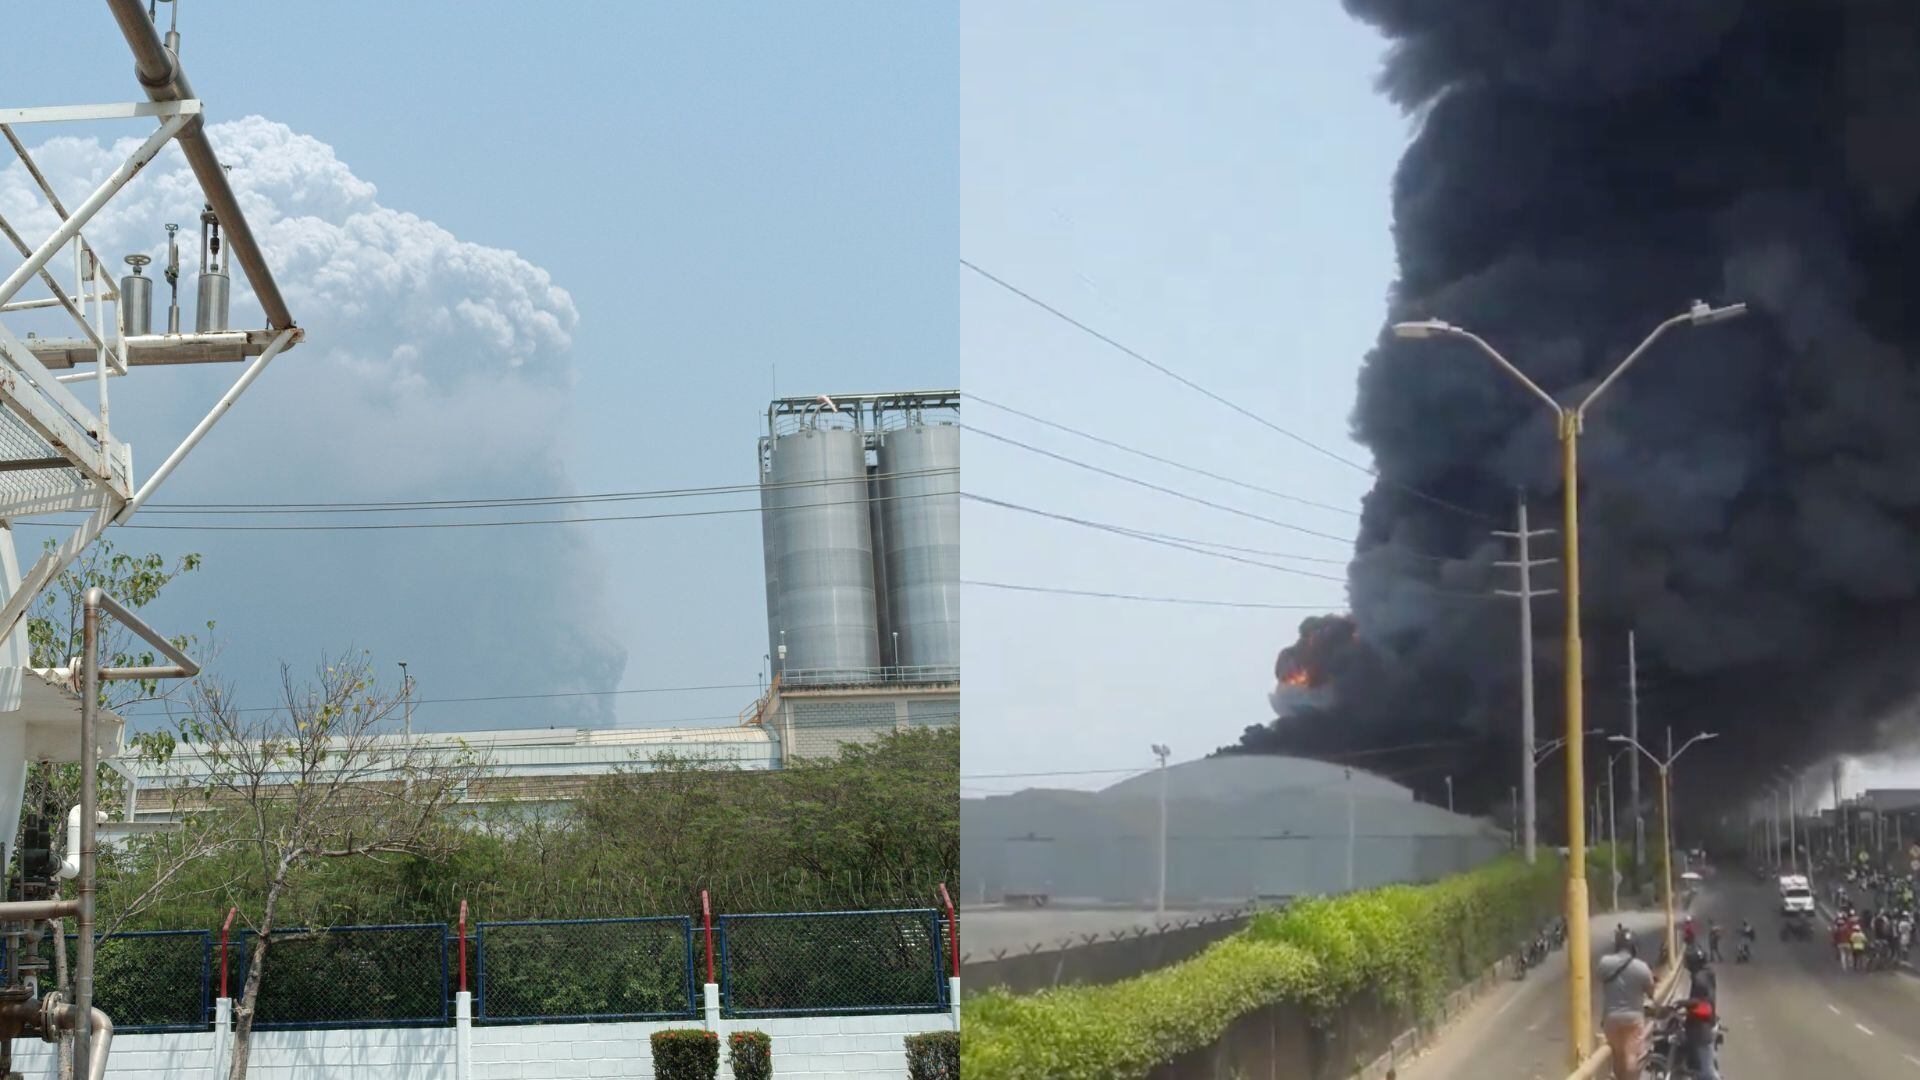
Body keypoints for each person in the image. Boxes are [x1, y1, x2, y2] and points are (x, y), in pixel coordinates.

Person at [1599, 927, 1655, 1080]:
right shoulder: (1641, 967)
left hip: (1611, 1018)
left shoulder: (1604, 963)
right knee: (1631, 1055)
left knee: (1617, 1055)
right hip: (1633, 1018)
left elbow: (1601, 979)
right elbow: (1651, 992)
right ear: (1634, 947)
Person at [1681, 947, 1721, 1080]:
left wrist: (1683, 1003)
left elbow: (1702, 1001)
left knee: (1707, 1072)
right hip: (1706, 1023)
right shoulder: (1707, 974)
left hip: (1702, 1028)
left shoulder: (1700, 978)